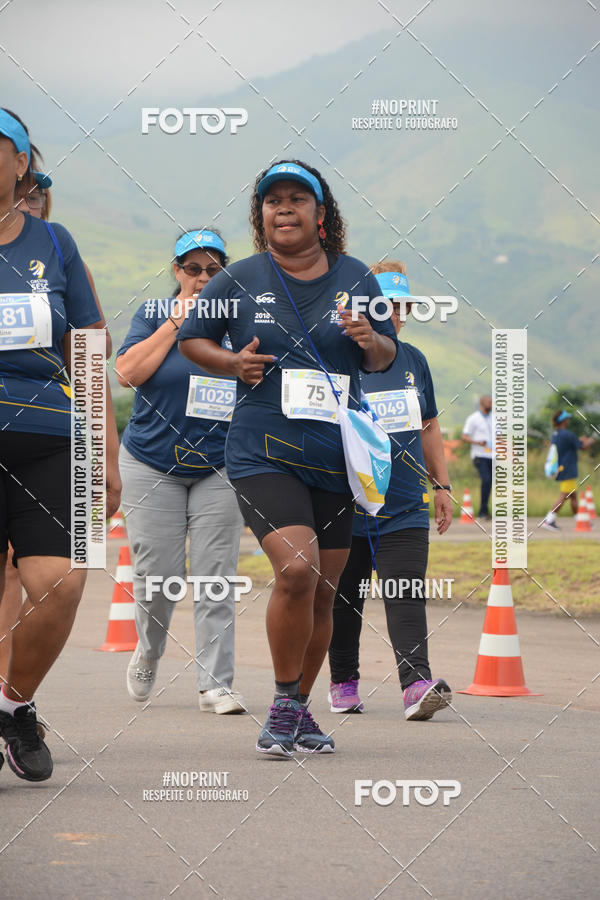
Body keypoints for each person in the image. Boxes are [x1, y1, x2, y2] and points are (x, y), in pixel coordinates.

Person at [179, 160, 397, 756]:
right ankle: (280, 702)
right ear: (262, 215)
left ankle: (299, 709)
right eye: (272, 200)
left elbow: (385, 356)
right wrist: (232, 363)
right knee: (297, 570)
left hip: (335, 456)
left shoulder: (357, 277)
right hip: (262, 450)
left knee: (324, 590)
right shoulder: (239, 279)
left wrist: (369, 340)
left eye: (297, 198)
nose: (284, 208)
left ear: (320, 214)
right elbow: (192, 338)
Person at [0, 109, 121, 782]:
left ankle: (12, 706)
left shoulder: (54, 241)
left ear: (22, 163)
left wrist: (105, 450)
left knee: (64, 580)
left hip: (52, 437)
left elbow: (89, 350)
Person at [116, 229, 246, 714]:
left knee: (217, 576)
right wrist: (178, 322)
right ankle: (149, 651)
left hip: (220, 465)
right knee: (158, 577)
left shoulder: (238, 319)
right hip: (151, 462)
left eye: (214, 269)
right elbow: (126, 373)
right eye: (193, 269)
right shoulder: (154, 313)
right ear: (177, 271)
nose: (203, 277)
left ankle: (216, 684)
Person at [328, 262, 453, 720]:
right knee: (346, 600)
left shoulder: (413, 360)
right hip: (346, 506)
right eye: (384, 305)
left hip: (404, 507)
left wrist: (442, 485)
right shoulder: (336, 359)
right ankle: (343, 682)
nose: (394, 315)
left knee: (405, 592)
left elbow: (429, 425)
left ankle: (416, 685)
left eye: (400, 307)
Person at [542, 410, 595, 530]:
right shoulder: (567, 434)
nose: (568, 420)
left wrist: (579, 440)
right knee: (564, 495)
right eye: (567, 418)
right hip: (568, 469)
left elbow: (570, 444)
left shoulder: (556, 434)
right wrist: (592, 440)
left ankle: (581, 520)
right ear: (563, 420)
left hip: (562, 468)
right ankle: (549, 520)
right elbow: (583, 446)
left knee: (573, 496)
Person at [462, 395, 494, 519]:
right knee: (486, 480)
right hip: (479, 455)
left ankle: (485, 510)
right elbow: (464, 436)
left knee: (490, 482)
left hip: (492, 455)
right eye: (489, 402)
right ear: (482, 403)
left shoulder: (494, 419)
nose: (491, 404)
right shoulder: (473, 418)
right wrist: (477, 442)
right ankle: (483, 511)